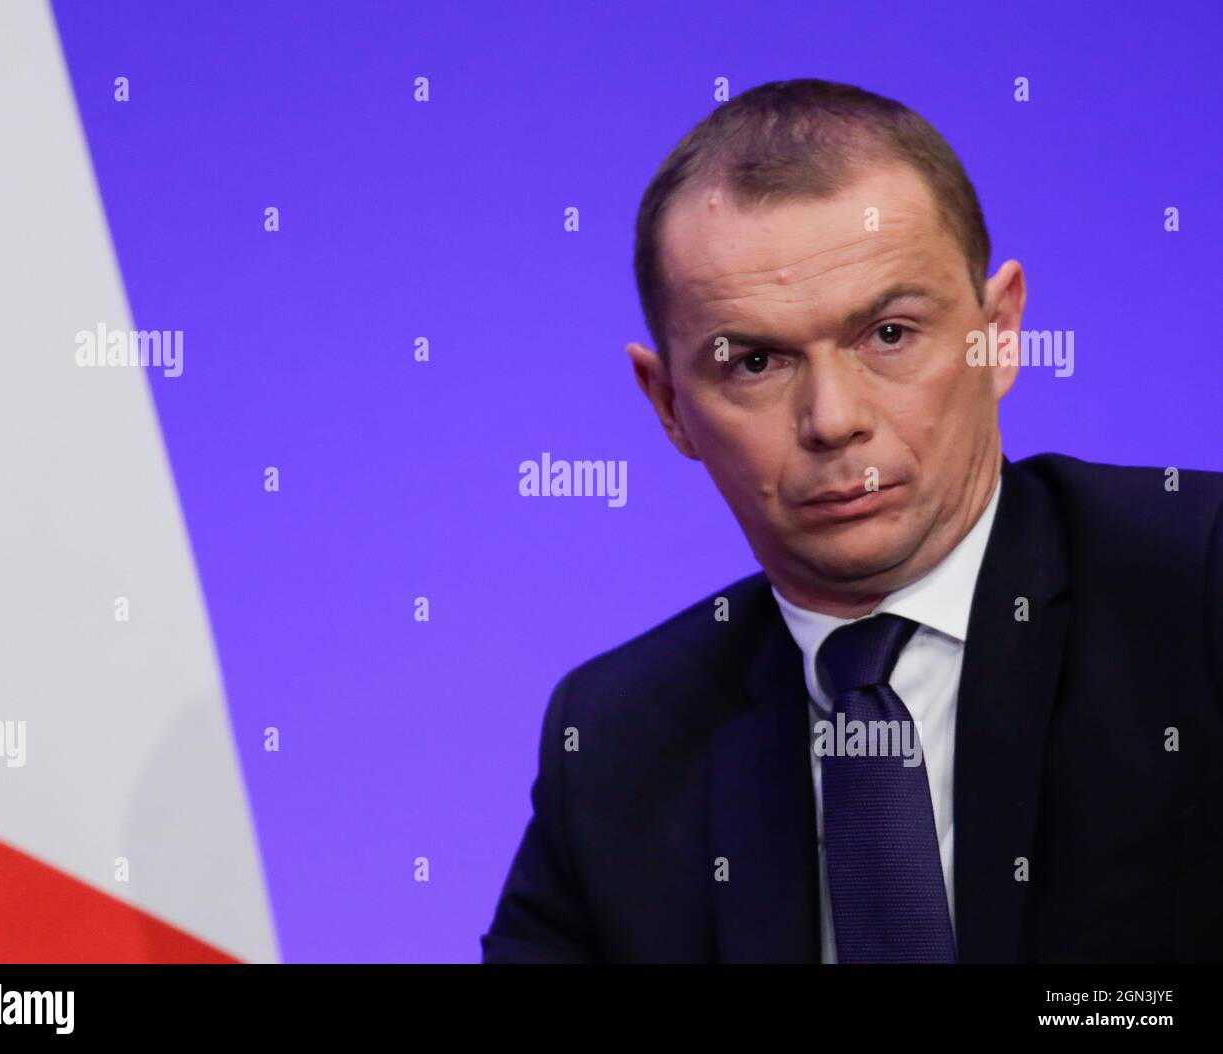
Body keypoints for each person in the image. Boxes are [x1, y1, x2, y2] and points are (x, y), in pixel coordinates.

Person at [481, 79, 1223, 963]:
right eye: (754, 362)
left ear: (999, 332)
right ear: (668, 404)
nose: (833, 419)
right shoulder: (615, 742)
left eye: (889, 335)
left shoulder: (1197, 584)